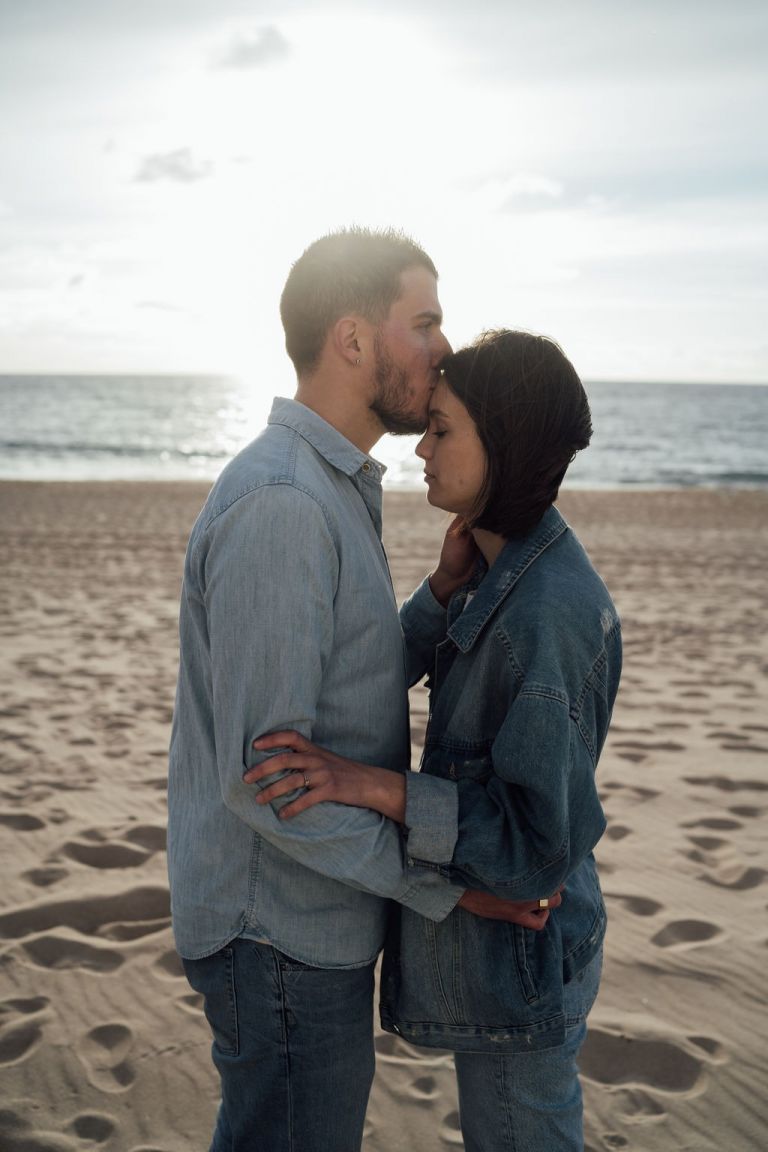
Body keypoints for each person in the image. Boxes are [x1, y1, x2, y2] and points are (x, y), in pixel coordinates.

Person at [167, 233, 559, 1152]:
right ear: (352, 340)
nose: (444, 348)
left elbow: (343, 676)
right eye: (422, 323)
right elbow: (272, 785)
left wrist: (437, 598)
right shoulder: (286, 507)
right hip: (279, 938)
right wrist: (450, 887)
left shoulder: (327, 487)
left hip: (303, 928)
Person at [246, 328, 623, 1152]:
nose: (421, 447)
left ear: (506, 447)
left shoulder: (543, 616)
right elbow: (390, 668)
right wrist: (443, 591)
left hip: (519, 962)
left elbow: (533, 846)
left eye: (444, 430)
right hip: (499, 965)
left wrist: (375, 786)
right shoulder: (501, 572)